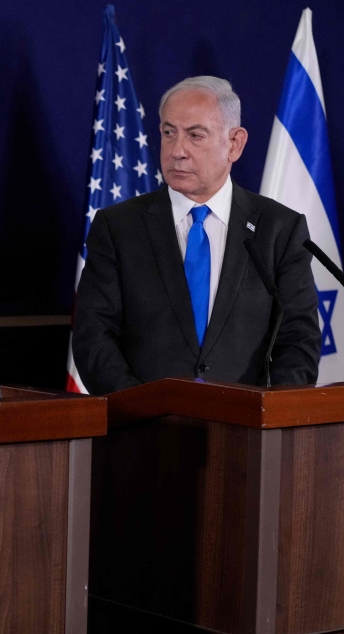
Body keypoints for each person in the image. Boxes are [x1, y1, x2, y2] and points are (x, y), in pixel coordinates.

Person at [72, 76, 320, 395]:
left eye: (195, 135)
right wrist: (141, 409)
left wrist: (264, 415)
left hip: (248, 432)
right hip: (142, 431)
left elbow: (299, 342)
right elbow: (94, 339)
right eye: (168, 132)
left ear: (235, 143)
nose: (178, 151)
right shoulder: (118, 227)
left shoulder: (279, 229)